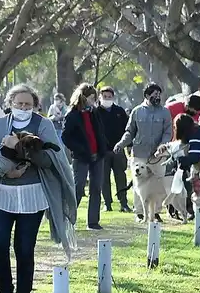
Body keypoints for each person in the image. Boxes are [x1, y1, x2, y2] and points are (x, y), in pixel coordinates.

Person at [0, 84, 76, 293]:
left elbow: (51, 160)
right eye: (19, 104)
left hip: (33, 196)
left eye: (28, 104)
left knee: (24, 248)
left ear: (35, 106)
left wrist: (22, 149)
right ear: (10, 104)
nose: (23, 108)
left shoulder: (44, 125)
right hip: (1, 195)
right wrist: (0, 174)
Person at [114, 83, 174, 218]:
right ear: (147, 95)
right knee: (139, 184)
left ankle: (156, 212)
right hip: (139, 154)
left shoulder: (165, 112)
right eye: (154, 94)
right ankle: (140, 212)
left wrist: (162, 145)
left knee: (158, 183)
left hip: (158, 156)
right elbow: (130, 132)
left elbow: (168, 132)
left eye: (159, 94)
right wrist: (121, 144)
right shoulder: (137, 111)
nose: (157, 96)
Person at [60, 83, 110, 231]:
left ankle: (93, 221)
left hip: (98, 155)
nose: (93, 100)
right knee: (78, 186)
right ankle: (69, 219)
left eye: (94, 98)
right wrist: (79, 149)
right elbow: (66, 137)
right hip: (81, 157)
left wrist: (103, 147)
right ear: (82, 97)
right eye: (90, 97)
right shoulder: (72, 115)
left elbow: (99, 131)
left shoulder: (94, 113)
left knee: (96, 187)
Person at [96, 85, 130, 214]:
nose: (107, 99)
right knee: (104, 178)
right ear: (100, 97)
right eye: (104, 97)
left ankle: (124, 203)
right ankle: (107, 203)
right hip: (102, 151)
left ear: (113, 97)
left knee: (121, 177)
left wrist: (126, 145)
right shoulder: (96, 112)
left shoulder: (119, 111)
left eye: (109, 97)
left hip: (118, 150)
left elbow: (127, 130)